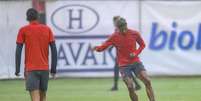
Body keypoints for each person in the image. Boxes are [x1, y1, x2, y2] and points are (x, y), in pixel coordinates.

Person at [93, 17, 155, 101]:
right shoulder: (114, 36)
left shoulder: (134, 33)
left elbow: (142, 45)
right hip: (124, 66)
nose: (123, 29)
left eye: (124, 26)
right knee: (130, 86)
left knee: (147, 81)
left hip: (136, 62)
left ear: (126, 25)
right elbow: (103, 47)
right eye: (121, 27)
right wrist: (96, 48)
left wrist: (136, 53)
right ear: (117, 28)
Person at [15, 8, 57, 101]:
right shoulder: (47, 29)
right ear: (38, 17)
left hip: (31, 69)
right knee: (43, 98)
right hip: (44, 69)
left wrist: (17, 68)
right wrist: (53, 69)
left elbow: (18, 50)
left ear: (27, 18)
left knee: (35, 99)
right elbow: (54, 49)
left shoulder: (23, 30)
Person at [110, 16, 141, 91]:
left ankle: (116, 86)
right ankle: (137, 84)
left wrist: (110, 46)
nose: (114, 23)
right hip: (121, 55)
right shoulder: (119, 30)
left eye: (115, 21)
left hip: (122, 56)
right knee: (126, 70)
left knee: (119, 70)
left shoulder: (118, 30)